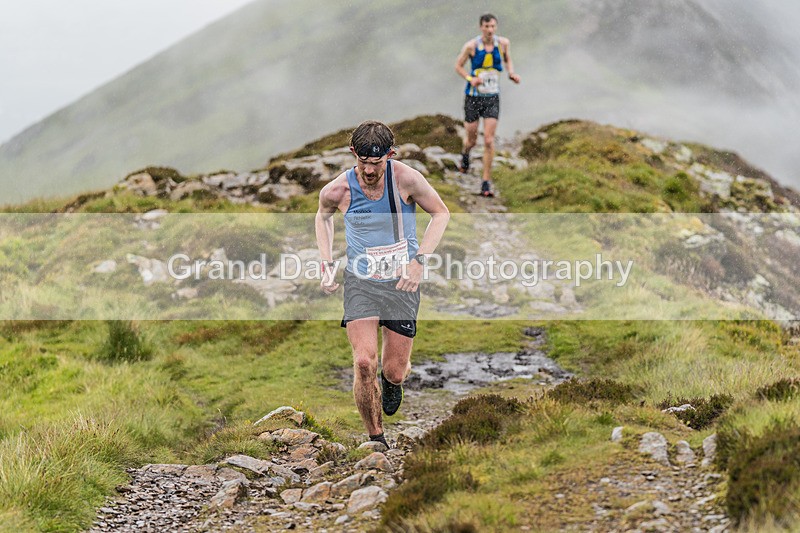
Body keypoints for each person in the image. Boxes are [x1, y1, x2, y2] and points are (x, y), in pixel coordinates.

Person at [315, 121, 450, 448]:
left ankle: (393, 382)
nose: (369, 170)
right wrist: (326, 263)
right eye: (363, 161)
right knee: (364, 363)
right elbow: (323, 217)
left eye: (376, 163)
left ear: (390, 155)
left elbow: (441, 213)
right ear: (353, 153)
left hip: (401, 283)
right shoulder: (338, 190)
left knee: (394, 371)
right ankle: (376, 437)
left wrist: (419, 261)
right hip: (361, 282)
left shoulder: (407, 179)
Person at [454, 13, 521, 197]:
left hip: (492, 97)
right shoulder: (471, 46)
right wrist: (471, 79)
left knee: (489, 140)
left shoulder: (503, 44)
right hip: (473, 97)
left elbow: (507, 59)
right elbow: (458, 66)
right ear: (481, 27)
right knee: (472, 139)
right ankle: (465, 154)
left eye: (493, 26)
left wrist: (511, 73)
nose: (490, 30)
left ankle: (485, 182)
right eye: (486, 27)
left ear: (496, 27)